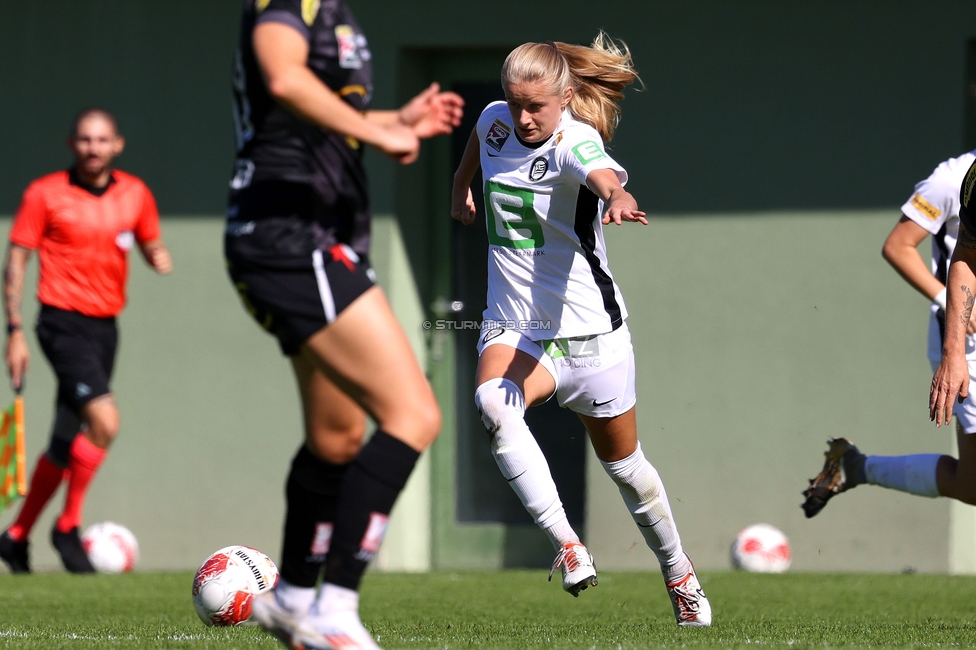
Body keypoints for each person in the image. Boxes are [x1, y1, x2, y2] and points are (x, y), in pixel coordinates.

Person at [450, 35, 711, 628]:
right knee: (494, 403)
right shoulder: (494, 122)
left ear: (566, 97)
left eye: (536, 106)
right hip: (518, 329)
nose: (522, 118)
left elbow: (604, 177)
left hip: (592, 336)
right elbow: (476, 147)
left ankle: (678, 571)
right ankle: (567, 543)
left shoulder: (576, 139)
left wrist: (618, 197)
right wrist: (461, 186)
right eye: (514, 103)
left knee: (626, 468)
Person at [226, 1, 461, 648]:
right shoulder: (285, 4)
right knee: (414, 416)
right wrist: (382, 134)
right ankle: (335, 606)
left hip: (314, 243)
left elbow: (319, 123)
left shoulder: (336, 13)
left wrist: (396, 121)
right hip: (293, 240)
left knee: (336, 440)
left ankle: (294, 598)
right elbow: (284, 79)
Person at [0, 108, 172, 574]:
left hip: (105, 327)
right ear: (71, 144)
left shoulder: (136, 193)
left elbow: (146, 237)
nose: (93, 148)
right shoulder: (45, 193)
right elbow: (16, 262)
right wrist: (14, 331)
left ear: (118, 145)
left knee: (63, 441)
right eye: (85, 140)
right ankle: (67, 526)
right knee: (105, 421)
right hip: (61, 323)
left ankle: (15, 538)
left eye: (102, 140)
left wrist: (155, 254)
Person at [803, 150, 976, 516]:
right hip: (968, 341)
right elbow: (898, 246)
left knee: (970, 484)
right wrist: (948, 302)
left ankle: (855, 467)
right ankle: (859, 467)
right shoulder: (952, 179)